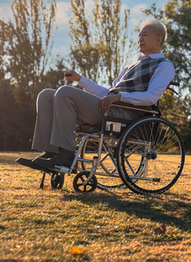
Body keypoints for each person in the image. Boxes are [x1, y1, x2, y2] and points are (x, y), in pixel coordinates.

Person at [18, 19, 175, 170]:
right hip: (108, 109)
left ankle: (66, 155)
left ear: (158, 39)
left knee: (65, 93)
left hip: (127, 115)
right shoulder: (131, 67)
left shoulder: (164, 66)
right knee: (46, 96)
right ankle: (51, 152)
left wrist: (120, 97)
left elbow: (152, 97)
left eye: (145, 34)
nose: (140, 38)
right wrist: (80, 80)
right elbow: (107, 93)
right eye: (139, 35)